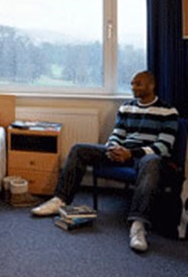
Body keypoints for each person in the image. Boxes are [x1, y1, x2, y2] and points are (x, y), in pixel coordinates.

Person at [31, 71, 179, 253]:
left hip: (145, 157)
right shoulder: (126, 108)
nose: (133, 87)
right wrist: (113, 148)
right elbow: (118, 133)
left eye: (138, 84)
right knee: (79, 149)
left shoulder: (168, 111)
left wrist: (131, 154)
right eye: (132, 83)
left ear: (151, 86)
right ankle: (60, 200)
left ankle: (138, 225)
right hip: (121, 153)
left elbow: (164, 146)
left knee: (152, 161)